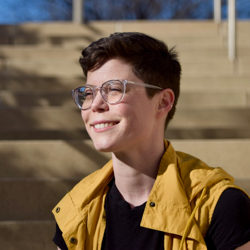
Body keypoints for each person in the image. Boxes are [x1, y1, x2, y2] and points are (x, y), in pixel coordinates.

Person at [52, 32, 250, 250]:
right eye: (88, 93)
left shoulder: (218, 205)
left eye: (115, 89)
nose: (95, 104)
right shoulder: (76, 208)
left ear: (163, 101)